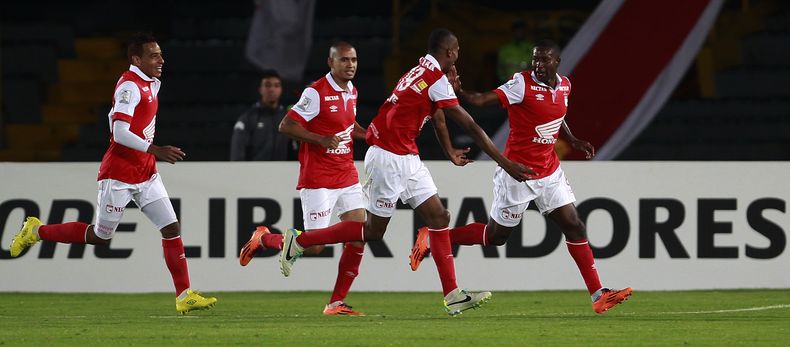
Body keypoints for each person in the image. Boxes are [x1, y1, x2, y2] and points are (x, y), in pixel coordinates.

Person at [276, 28, 532, 316]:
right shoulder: (433, 78)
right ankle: (301, 241)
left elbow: (435, 114)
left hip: (407, 156)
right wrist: (506, 163)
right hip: (387, 157)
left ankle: (453, 295)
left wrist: (448, 151)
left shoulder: (420, 71)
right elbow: (470, 125)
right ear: (449, 52)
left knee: (439, 217)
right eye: (457, 50)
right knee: (372, 232)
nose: (459, 55)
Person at [409, 39, 632, 314]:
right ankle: (434, 237)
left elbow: (557, 114)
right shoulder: (521, 84)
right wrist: (461, 92)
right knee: (496, 236)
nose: (538, 64)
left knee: (575, 225)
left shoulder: (564, 85)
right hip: (518, 173)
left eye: (544, 59)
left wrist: (573, 140)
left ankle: (599, 294)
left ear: (557, 62)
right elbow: (482, 100)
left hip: (549, 171)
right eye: (535, 59)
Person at [8, 32, 217, 315]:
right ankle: (35, 230)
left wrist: (149, 156)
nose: (161, 59)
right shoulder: (129, 87)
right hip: (118, 173)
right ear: (136, 59)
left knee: (171, 228)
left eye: (160, 54)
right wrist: (154, 149)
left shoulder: (150, 83)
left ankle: (184, 295)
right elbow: (119, 132)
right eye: (153, 55)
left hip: (146, 173)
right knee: (100, 236)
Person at [238, 42, 368, 316]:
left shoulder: (352, 91)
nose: (351, 65)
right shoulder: (316, 91)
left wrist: (371, 135)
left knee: (359, 235)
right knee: (315, 246)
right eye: (344, 60)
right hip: (318, 177)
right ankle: (263, 239)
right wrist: (319, 139)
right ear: (330, 62)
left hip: (346, 173)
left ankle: (335, 303)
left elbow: (348, 126)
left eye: (354, 59)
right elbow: (286, 125)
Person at [230, 70, 297, 161]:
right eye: (267, 85)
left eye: (276, 86)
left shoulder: (288, 118)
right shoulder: (247, 119)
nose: (272, 89)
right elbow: (237, 156)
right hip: (253, 173)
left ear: (281, 89)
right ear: (260, 89)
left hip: (282, 173)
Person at [496, 19, 533, 84]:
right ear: (513, 32)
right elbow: (500, 67)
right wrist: (503, 81)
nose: (519, 32)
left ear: (525, 31)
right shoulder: (506, 48)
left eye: (521, 30)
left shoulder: (531, 47)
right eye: (517, 30)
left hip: (527, 84)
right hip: (509, 83)